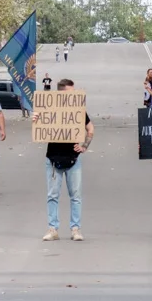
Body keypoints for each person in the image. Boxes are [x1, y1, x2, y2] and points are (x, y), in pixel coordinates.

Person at [43, 78, 93, 242]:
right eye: (70, 93)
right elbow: (40, 127)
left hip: (73, 159)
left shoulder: (78, 110)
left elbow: (90, 128)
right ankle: (52, 229)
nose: (73, 96)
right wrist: (38, 119)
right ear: (60, 93)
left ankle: (75, 229)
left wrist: (85, 145)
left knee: (76, 196)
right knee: (52, 195)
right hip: (53, 158)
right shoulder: (49, 108)